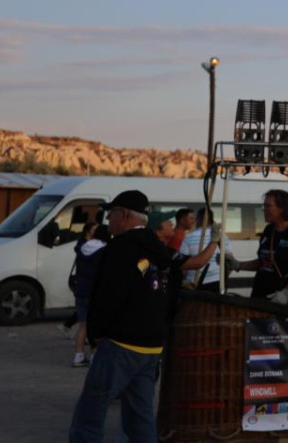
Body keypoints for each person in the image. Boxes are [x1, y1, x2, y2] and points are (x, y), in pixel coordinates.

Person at [70, 189, 221, 443]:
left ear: (125, 215)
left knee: (89, 414)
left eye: (111, 215)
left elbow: (107, 295)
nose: (108, 222)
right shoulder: (160, 249)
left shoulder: (120, 248)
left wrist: (98, 336)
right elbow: (180, 276)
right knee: (140, 418)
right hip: (151, 347)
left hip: (120, 344)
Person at [239, 190, 288, 304]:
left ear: (282, 208)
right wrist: (238, 265)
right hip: (261, 295)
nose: (264, 210)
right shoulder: (268, 230)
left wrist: (287, 293)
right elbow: (264, 262)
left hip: (284, 301)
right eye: (264, 206)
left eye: (268, 206)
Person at [71, 222, 109, 367]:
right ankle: (94, 356)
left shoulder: (82, 248)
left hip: (80, 289)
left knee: (83, 326)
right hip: (95, 291)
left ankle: (78, 356)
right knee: (96, 325)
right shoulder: (104, 250)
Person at [178, 220, 238, 293]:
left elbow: (182, 265)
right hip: (217, 281)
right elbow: (230, 261)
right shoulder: (223, 237)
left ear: (199, 219)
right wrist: (224, 277)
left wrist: (184, 280)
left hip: (194, 283)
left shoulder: (189, 237)